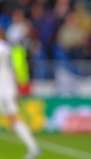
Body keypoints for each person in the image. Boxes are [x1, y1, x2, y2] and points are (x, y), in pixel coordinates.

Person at [0, 27, 40, 159]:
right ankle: (33, 148)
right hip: (6, 90)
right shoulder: (6, 48)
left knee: (15, 120)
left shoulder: (3, 48)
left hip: (5, 92)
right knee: (14, 120)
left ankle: (34, 148)